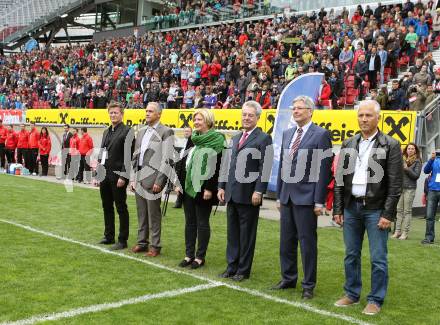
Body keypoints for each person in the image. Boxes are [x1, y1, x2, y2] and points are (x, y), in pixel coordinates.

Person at [333, 100, 403, 315]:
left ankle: (375, 299)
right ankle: (352, 294)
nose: (364, 119)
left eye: (368, 115)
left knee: (378, 257)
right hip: (351, 207)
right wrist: (338, 209)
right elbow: (339, 180)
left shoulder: (390, 144)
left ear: (378, 118)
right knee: (351, 254)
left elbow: (395, 184)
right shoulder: (348, 144)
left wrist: (388, 214)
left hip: (376, 210)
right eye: (361, 115)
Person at [272, 95, 332, 300]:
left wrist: (319, 200)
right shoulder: (288, 133)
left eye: (299, 108)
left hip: (307, 198)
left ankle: (308, 284)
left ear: (310, 111)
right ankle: (288, 278)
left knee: (307, 244)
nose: (295, 111)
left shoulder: (321, 134)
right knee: (286, 242)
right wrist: (279, 195)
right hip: (287, 196)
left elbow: (323, 170)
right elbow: (282, 166)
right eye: (293, 108)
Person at [217, 101, 273, 281]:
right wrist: (221, 186)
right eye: (244, 114)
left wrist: (259, 191)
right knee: (232, 234)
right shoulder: (234, 138)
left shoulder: (264, 138)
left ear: (258, 117)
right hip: (232, 193)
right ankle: (231, 266)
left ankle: (243, 270)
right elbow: (227, 165)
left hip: (249, 195)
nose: (246, 118)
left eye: (250, 115)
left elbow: (266, 166)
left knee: (247, 235)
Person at [177, 109, 225, 269]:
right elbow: (186, 163)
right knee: (189, 222)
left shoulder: (217, 140)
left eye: (200, 119)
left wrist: (210, 189)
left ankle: (199, 257)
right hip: (189, 187)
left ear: (209, 121)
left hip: (205, 189)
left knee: (202, 223)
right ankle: (189, 255)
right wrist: (180, 184)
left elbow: (216, 167)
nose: (196, 122)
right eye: (195, 119)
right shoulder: (194, 138)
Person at [130, 102, 174, 257]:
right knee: (141, 213)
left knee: (153, 214)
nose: (147, 113)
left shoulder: (166, 131)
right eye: (146, 111)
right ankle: (142, 242)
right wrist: (133, 177)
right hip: (140, 178)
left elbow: (167, 158)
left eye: (151, 111)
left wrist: (160, 181)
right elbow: (136, 156)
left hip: (153, 178)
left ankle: (155, 245)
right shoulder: (141, 132)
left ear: (159, 114)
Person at [97, 101, 133, 250]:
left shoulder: (127, 131)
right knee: (107, 206)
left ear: (122, 114)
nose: (113, 115)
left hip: (118, 176)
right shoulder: (106, 131)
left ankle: (122, 239)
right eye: (111, 113)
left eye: (115, 112)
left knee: (121, 208)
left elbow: (128, 156)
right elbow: (102, 153)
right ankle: (109, 235)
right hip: (105, 175)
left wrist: (123, 177)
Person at [392, 143, 422, 240]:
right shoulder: (403, 160)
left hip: (410, 188)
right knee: (399, 211)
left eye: (412, 149)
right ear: (406, 150)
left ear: (415, 150)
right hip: (400, 188)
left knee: (407, 211)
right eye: (409, 148)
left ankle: (405, 233)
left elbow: (416, 176)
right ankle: (397, 232)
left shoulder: (417, 161)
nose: (410, 150)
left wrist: (406, 168)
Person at [421, 150, 440, 244]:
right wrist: (431, 159)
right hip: (432, 190)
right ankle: (429, 238)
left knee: (430, 216)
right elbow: (426, 170)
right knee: (429, 216)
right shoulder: (434, 160)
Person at [174, 127, 193, 209]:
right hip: (180, 164)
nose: (186, 132)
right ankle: (178, 201)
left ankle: (183, 201)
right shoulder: (180, 142)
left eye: (188, 131)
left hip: (187, 166)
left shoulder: (193, 142)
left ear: (191, 132)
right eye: (185, 131)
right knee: (179, 183)